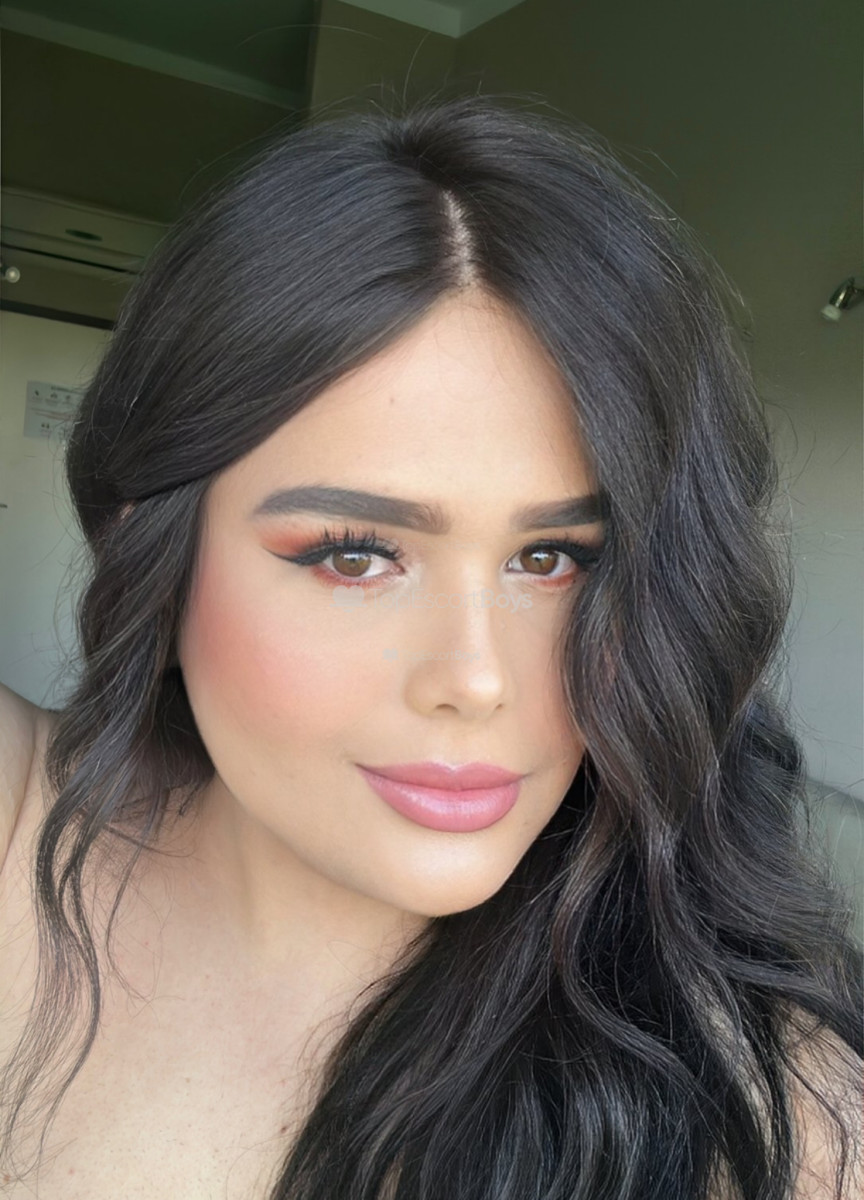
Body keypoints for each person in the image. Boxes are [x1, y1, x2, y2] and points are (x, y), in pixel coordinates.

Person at [0, 93, 860, 1200]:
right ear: (152, 561)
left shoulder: (783, 1121)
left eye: (555, 559)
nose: (476, 680)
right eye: (356, 556)